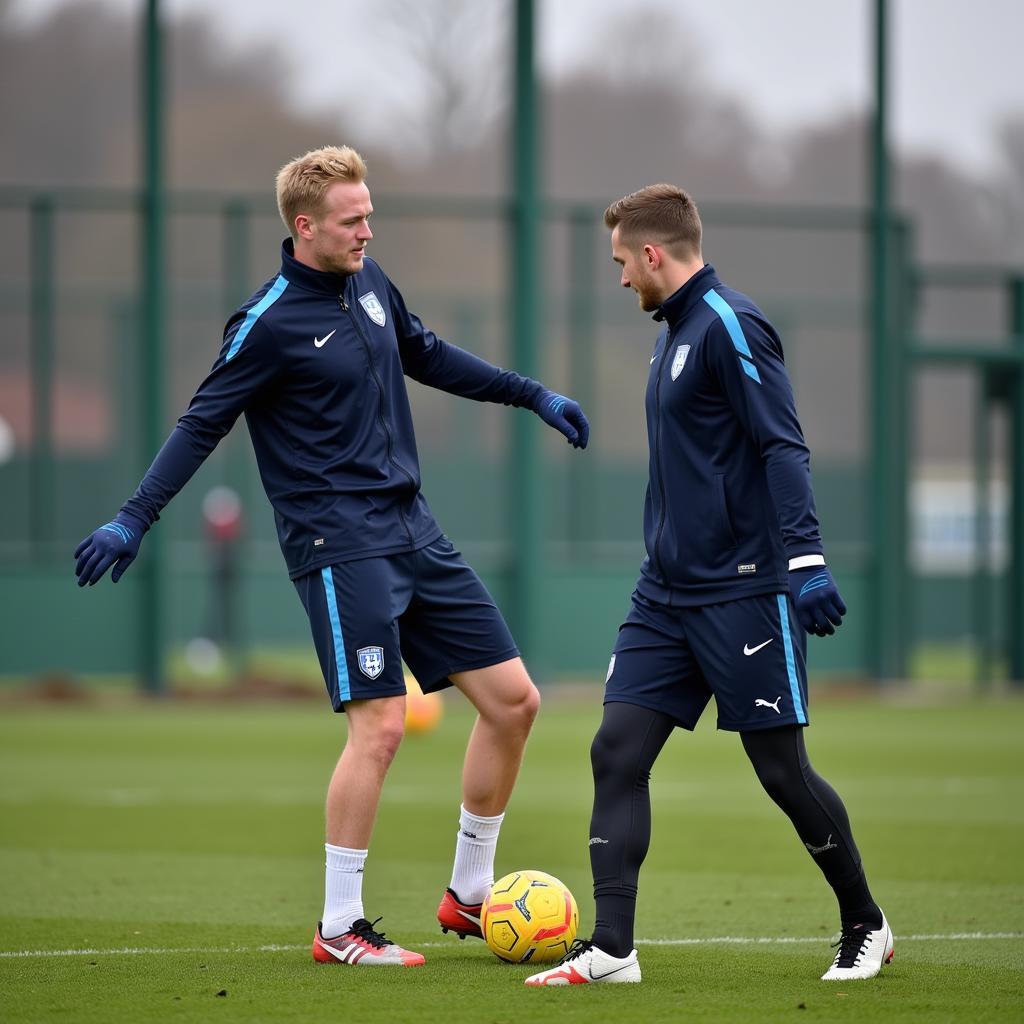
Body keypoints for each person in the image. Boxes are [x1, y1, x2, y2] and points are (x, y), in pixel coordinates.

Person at [73, 145, 589, 968]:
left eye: (369, 215)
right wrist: (134, 517)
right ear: (304, 226)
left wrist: (529, 393)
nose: (367, 231)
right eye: (353, 221)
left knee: (514, 702)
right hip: (339, 545)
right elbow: (202, 422)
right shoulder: (266, 320)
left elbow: (425, 352)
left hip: (413, 528)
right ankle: (340, 926)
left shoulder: (371, 283)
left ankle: (467, 894)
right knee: (381, 725)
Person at [525, 184, 891, 987]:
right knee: (616, 751)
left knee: (780, 770)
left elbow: (782, 447)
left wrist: (804, 561)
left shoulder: (730, 323)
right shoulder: (672, 332)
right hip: (665, 595)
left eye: (622, 261)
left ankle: (866, 923)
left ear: (654, 254)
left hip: (746, 591)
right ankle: (614, 948)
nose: (620, 277)